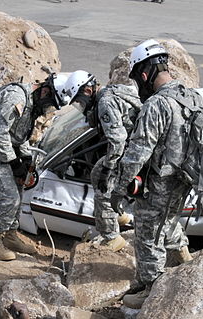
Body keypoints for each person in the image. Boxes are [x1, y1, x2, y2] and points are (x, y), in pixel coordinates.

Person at [116, 39, 203, 309]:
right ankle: (184, 265)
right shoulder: (192, 97)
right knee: (168, 223)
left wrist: (119, 186)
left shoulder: (157, 105)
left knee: (148, 232)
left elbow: (138, 152)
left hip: (160, 183)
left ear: (144, 75)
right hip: (184, 180)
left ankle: (152, 291)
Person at [0, 73, 67, 261]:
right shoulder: (16, 97)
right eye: (50, 103)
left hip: (8, 150)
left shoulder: (32, 103)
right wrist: (14, 162)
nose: (47, 109)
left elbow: (20, 136)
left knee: (19, 191)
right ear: (45, 90)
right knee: (9, 198)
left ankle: (10, 235)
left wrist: (25, 159)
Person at [59, 70, 142, 252]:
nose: (80, 106)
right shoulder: (112, 91)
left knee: (103, 188)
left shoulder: (104, 103)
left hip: (134, 151)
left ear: (88, 91)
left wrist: (108, 168)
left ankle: (112, 237)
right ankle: (118, 216)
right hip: (138, 147)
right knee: (97, 172)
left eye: (79, 101)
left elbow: (118, 140)